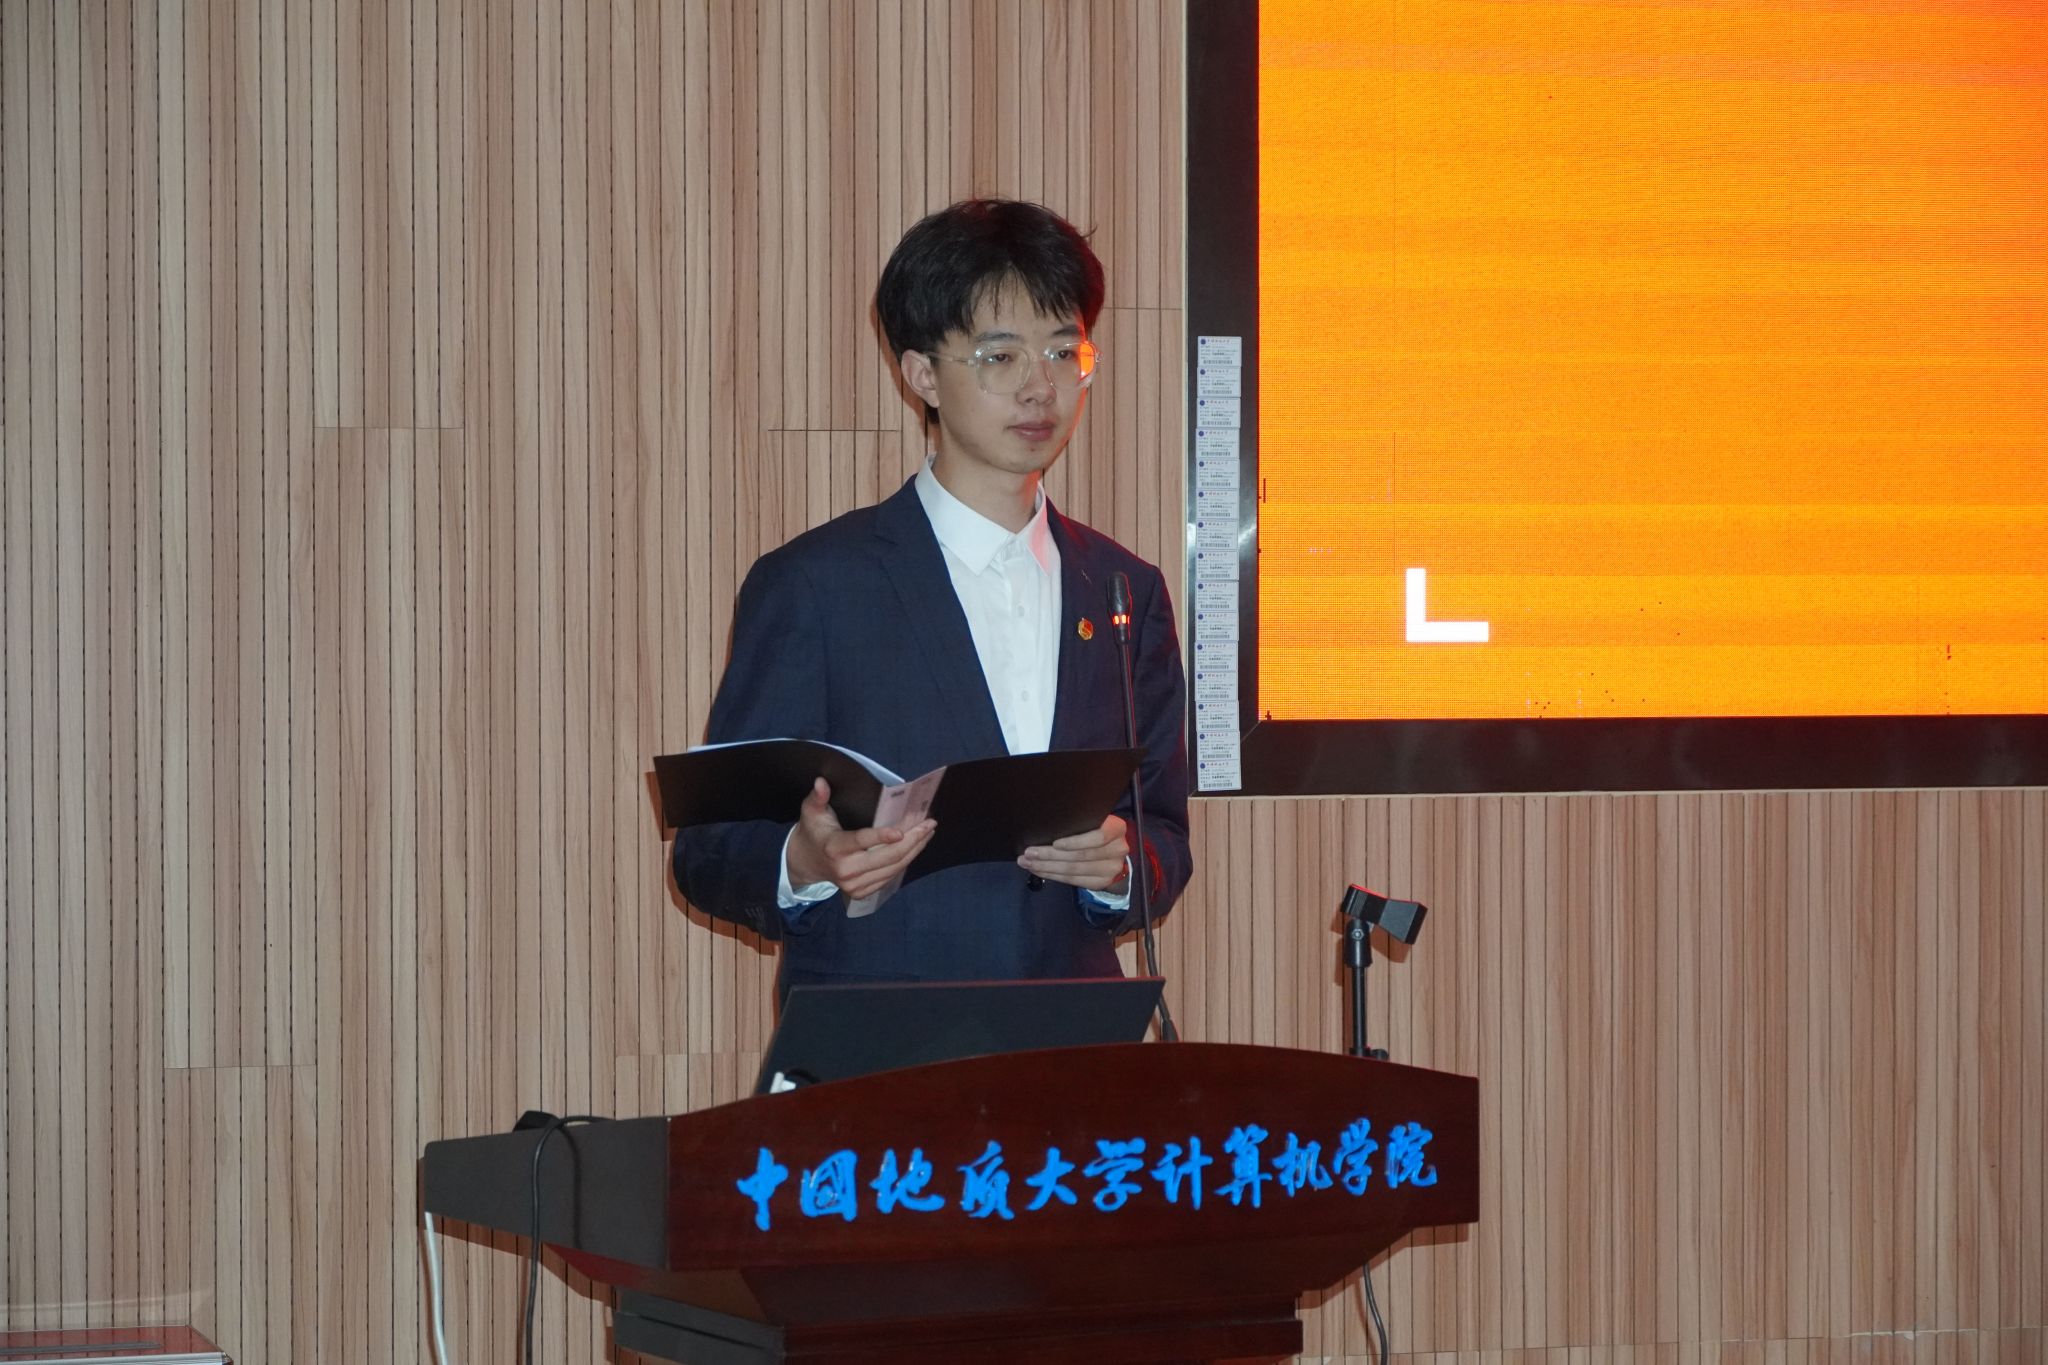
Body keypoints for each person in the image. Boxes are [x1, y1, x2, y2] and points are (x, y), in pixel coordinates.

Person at [672, 198, 1190, 995]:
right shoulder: (815, 585)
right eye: (1000, 356)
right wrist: (804, 861)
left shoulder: (1126, 589)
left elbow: (1165, 835)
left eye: (1064, 352)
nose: (1041, 387)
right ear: (921, 374)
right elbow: (710, 851)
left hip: (1074, 1040)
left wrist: (1121, 867)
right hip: (881, 1046)